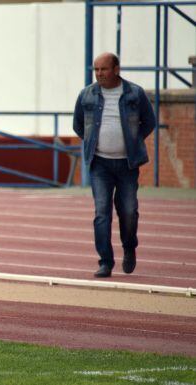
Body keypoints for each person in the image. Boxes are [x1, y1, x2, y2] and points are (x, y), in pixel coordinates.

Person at [73, 52, 155, 278]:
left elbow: (149, 121)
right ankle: (105, 262)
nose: (99, 74)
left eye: (104, 69)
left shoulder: (134, 93)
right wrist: (94, 143)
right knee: (102, 213)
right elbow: (78, 125)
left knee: (129, 211)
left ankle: (129, 247)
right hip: (100, 164)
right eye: (96, 70)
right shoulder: (86, 94)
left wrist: (132, 141)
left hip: (127, 165)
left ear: (116, 69)